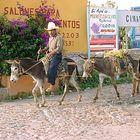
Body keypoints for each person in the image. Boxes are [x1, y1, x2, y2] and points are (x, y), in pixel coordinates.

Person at [38, 22, 64, 92]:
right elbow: (48, 47)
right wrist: (42, 50)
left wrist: (50, 54)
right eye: (49, 30)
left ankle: (52, 85)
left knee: (52, 67)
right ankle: (40, 78)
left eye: (52, 30)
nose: (50, 32)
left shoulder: (59, 38)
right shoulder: (50, 38)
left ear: (55, 30)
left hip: (57, 56)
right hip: (50, 55)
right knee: (40, 62)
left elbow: (59, 49)